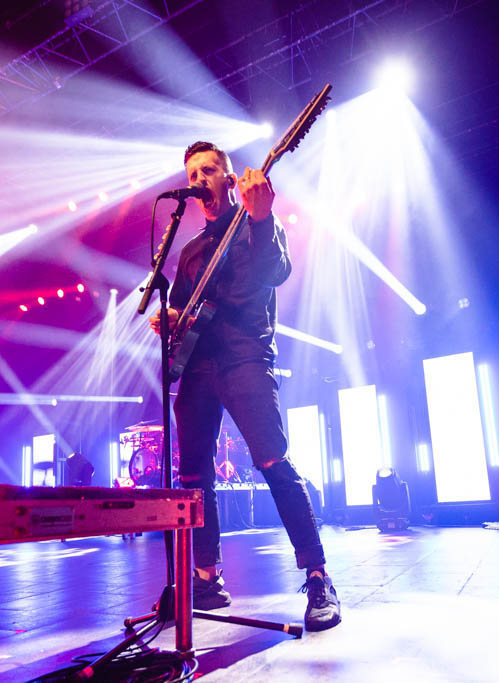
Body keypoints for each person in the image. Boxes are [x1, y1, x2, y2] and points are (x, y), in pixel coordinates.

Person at [148, 141, 341, 631]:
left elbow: (276, 271)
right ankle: (206, 578)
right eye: (192, 172)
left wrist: (261, 217)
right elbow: (185, 310)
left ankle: (318, 574)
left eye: (208, 169)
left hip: (245, 356)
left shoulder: (257, 223)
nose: (199, 178)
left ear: (230, 179)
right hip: (198, 365)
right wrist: (171, 319)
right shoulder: (190, 252)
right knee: (193, 476)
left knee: (273, 460)